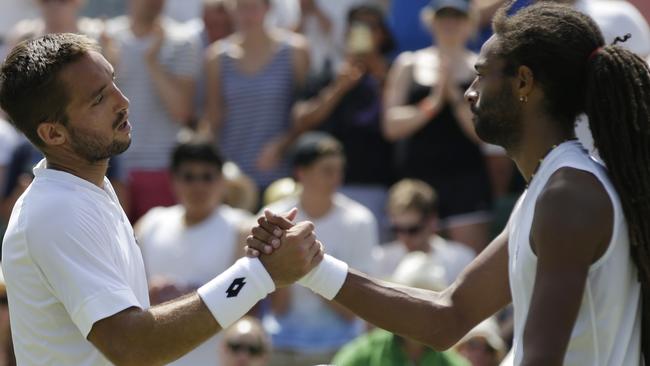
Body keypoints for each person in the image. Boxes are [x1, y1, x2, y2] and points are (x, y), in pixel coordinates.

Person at [248, 2, 650, 364]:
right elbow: (448, 316)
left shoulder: (568, 195)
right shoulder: (551, 189)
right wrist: (311, 266)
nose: (471, 92)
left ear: (524, 82)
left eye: (480, 75)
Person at [0, 33, 323, 365]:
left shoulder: (87, 193)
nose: (122, 101)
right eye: (98, 99)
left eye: (113, 80)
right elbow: (134, 347)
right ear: (53, 133)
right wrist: (259, 275)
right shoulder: (57, 211)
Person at [383, 0, 493, 253]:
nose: (450, 25)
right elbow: (391, 126)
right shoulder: (408, 64)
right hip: (416, 178)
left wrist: (453, 97)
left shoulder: (481, 67)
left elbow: (483, 133)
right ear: (431, 22)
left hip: (466, 180)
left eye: (457, 18)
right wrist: (431, 104)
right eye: (443, 18)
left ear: (470, 24)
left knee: (468, 262)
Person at [261, 132, 378, 366]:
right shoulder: (272, 216)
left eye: (339, 170)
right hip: (281, 344)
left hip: (342, 347)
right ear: (301, 173)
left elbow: (357, 305)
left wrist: (309, 271)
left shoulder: (360, 221)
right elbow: (277, 307)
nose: (336, 178)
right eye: (327, 170)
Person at [135, 139, 251, 365]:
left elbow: (248, 301)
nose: (198, 186)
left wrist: (187, 294)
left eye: (207, 177)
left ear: (221, 181)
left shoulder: (241, 228)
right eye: (188, 177)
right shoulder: (150, 223)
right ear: (173, 181)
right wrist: (149, 293)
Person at [293, 4, 395, 239]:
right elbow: (301, 120)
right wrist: (338, 89)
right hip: (324, 190)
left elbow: (396, 124)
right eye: (358, 25)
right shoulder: (329, 73)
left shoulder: (394, 73)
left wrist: (381, 77)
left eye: (371, 26)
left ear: (382, 34)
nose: (364, 32)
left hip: (375, 187)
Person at [105, 0, 200, 221]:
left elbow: (181, 111)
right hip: (111, 169)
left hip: (161, 168)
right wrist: (109, 66)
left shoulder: (182, 40)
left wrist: (152, 61)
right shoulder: (107, 38)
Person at [201, 0, 310, 192]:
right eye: (241, 8)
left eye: (253, 7)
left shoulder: (296, 51)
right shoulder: (216, 57)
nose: (247, 15)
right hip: (234, 180)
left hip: (282, 179)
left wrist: (281, 145)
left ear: (268, 8)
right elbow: (213, 118)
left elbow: (306, 115)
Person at [332, 251, 469, 366]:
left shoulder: (452, 362)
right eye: (408, 303)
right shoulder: (362, 353)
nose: (415, 313)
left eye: (424, 306)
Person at [373, 179, 475, 282]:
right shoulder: (379, 259)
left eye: (413, 230)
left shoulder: (461, 259)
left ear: (432, 222)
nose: (405, 237)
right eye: (397, 229)